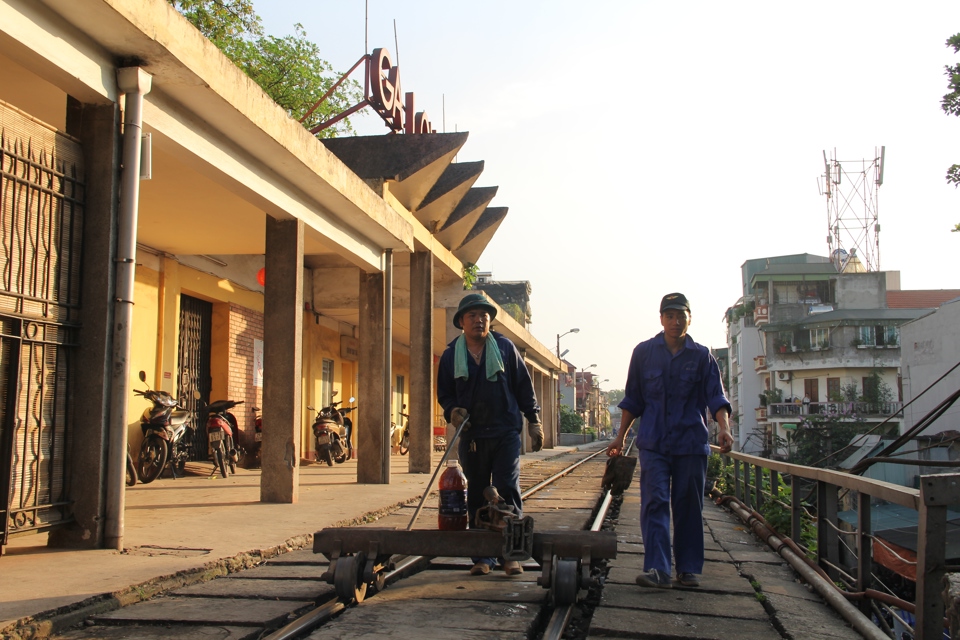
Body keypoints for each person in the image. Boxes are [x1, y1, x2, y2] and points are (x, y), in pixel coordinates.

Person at [607, 293, 733, 589]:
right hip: (654, 443)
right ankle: (657, 568)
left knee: (689, 504)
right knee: (655, 502)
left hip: (690, 443)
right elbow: (633, 400)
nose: (676, 322)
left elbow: (716, 396)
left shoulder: (702, 356)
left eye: (681, 316)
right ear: (661, 318)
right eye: (670, 316)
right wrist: (620, 436)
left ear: (690, 318)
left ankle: (688, 568)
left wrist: (725, 428)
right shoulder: (643, 353)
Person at [437, 293, 542, 577]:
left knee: (507, 489)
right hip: (472, 436)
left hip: (505, 431)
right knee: (478, 497)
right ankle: (483, 556)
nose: (479, 320)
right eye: (472, 316)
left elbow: (523, 386)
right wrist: (452, 411)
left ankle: (512, 554)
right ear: (461, 322)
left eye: (484, 316)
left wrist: (533, 420)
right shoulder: (450, 355)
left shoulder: (505, 349)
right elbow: (445, 394)